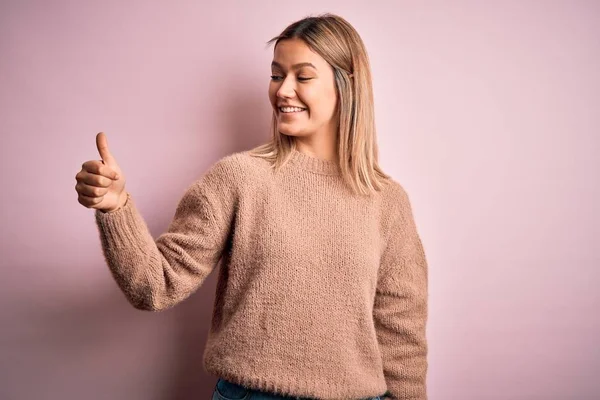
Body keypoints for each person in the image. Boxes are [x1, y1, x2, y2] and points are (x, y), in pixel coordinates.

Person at [74, 13, 428, 400]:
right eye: (277, 75)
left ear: (347, 86)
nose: (283, 91)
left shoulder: (387, 202)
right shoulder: (238, 178)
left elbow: (401, 333)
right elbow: (154, 286)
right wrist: (115, 207)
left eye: (303, 77)